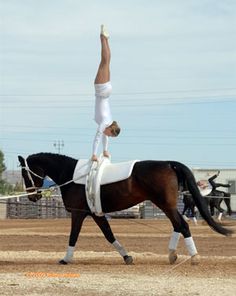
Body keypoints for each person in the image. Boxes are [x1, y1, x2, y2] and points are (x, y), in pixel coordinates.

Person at [92, 25, 120, 162]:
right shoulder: (104, 123)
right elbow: (98, 137)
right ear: (110, 130)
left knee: (107, 62)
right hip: (101, 90)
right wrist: (94, 154)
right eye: (110, 134)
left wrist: (105, 151)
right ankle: (102, 38)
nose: (107, 135)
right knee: (104, 62)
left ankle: (106, 39)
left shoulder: (108, 122)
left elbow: (104, 138)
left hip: (107, 91)